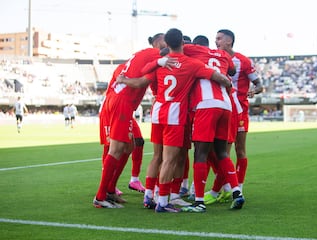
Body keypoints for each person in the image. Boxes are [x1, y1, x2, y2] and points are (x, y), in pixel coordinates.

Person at [117, 28, 232, 213]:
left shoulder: (161, 64)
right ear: (183, 43)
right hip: (175, 114)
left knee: (157, 156)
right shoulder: (192, 63)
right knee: (171, 159)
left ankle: (149, 195)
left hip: (158, 111)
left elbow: (143, 75)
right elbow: (216, 76)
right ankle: (163, 201)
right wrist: (227, 83)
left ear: (167, 44)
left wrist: (154, 63)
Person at [93, 33, 168, 208]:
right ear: (158, 43)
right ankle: (100, 196)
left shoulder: (140, 57)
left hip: (121, 101)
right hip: (122, 102)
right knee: (116, 148)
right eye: (166, 43)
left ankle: (110, 190)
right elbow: (142, 81)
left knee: (129, 145)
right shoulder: (154, 54)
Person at [180, 35, 243, 212]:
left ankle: (199, 202)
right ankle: (237, 192)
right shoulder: (222, 54)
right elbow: (231, 70)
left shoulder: (192, 50)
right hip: (225, 105)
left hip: (206, 104)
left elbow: (172, 50)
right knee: (222, 152)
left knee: (201, 153)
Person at [215, 29, 263, 199]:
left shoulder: (242, 60)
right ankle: (226, 187)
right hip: (222, 109)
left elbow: (259, 85)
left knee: (239, 150)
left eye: (219, 38)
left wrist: (253, 91)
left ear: (229, 41)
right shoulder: (215, 58)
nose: (216, 41)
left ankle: (238, 187)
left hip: (240, 110)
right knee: (221, 151)